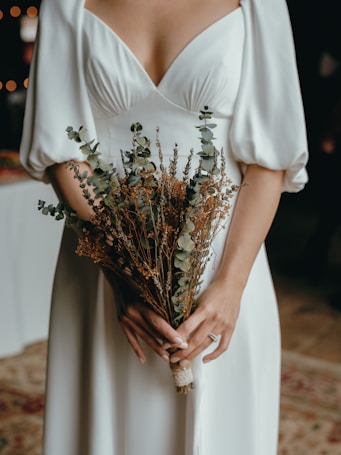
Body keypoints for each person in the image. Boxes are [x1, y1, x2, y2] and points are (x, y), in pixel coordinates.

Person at [19, 0, 308, 454]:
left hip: (225, 262)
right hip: (104, 258)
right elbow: (61, 151)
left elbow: (270, 158)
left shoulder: (259, 5)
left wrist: (230, 288)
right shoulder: (65, 4)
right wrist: (124, 275)